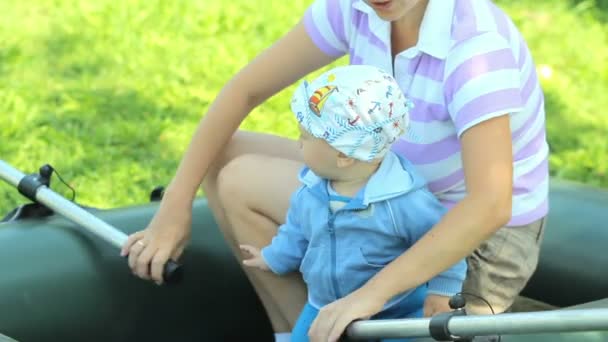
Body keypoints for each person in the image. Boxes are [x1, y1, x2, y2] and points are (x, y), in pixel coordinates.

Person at [121, 0, 549, 341]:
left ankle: (339, 315)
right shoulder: (356, 8)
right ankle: (295, 329)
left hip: (474, 238)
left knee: (241, 180)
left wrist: (370, 295)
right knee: (225, 154)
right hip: (383, 178)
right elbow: (245, 88)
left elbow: (490, 205)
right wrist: (174, 206)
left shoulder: (476, 50)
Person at [238, 65, 467, 342]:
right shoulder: (311, 189)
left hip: (397, 312)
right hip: (324, 305)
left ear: (344, 155)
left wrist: (442, 290)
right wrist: (272, 257)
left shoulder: (402, 201)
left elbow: (444, 243)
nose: (298, 144)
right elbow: (297, 231)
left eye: (306, 137)